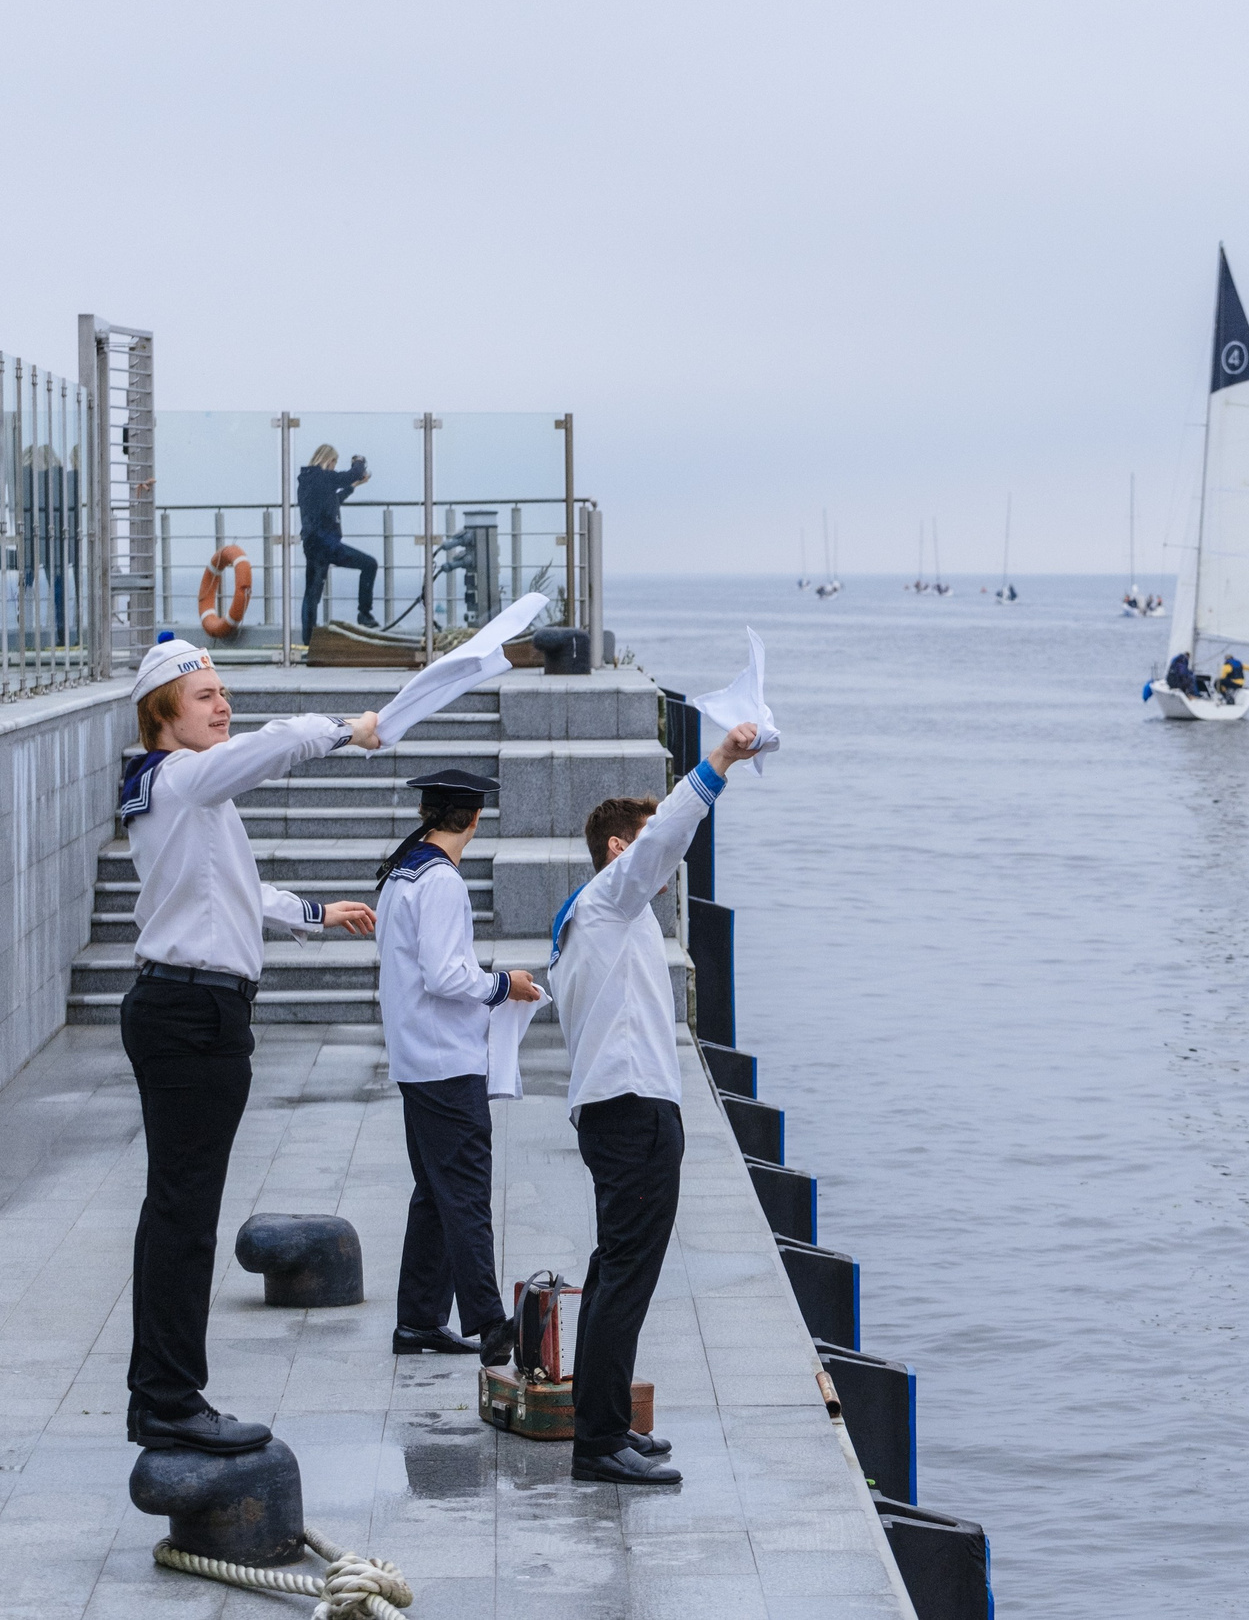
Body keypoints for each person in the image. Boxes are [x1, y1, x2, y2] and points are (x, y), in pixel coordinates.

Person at [116, 635, 380, 1454]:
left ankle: (160, 1394)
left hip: (187, 1007)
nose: (223, 705)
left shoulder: (177, 790)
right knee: (185, 1217)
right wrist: (348, 729)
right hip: (192, 1014)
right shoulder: (186, 777)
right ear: (163, 717)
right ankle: (169, 1401)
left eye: (223, 691)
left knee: (175, 1211)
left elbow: (230, 887)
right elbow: (271, 747)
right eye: (205, 696)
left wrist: (313, 913)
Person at [548, 720, 764, 1485]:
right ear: (618, 850)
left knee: (616, 1272)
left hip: (625, 1110)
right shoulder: (608, 902)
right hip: (630, 1111)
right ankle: (600, 1441)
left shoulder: (606, 916)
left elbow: (661, 843)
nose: (664, 866)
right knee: (625, 1278)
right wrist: (719, 762)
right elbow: (668, 832)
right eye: (644, 849)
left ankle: (605, 1425)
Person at [376, 769, 540, 1365]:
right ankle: (491, 1325)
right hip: (445, 1062)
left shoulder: (402, 872)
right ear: (473, 819)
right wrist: (504, 984)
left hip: (416, 1057)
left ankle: (419, 1320)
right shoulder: (441, 880)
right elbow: (446, 975)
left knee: (435, 1191)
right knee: (466, 1193)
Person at [298, 444, 378, 639]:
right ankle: (364, 614)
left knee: (312, 593)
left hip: (312, 543)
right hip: (327, 544)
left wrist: (354, 486)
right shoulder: (323, 477)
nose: (334, 467)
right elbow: (352, 474)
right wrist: (358, 461)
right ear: (330, 460)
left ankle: (308, 639)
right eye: (334, 463)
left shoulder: (308, 480)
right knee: (369, 564)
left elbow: (334, 500)